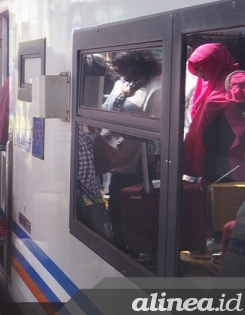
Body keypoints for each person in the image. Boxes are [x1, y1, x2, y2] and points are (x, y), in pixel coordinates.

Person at [99, 49, 162, 252]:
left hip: (137, 155)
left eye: (120, 66)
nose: (115, 70)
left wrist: (160, 156)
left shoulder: (156, 87)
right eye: (113, 66)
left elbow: (159, 127)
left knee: (125, 201)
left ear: (135, 65)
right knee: (114, 197)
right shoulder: (121, 83)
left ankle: (129, 246)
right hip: (112, 146)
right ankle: (119, 242)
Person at [184, 43, 245, 184]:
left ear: (215, 62)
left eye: (202, 68)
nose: (199, 74)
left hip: (233, 156)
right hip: (212, 155)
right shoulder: (207, 83)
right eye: (196, 69)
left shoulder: (239, 80)